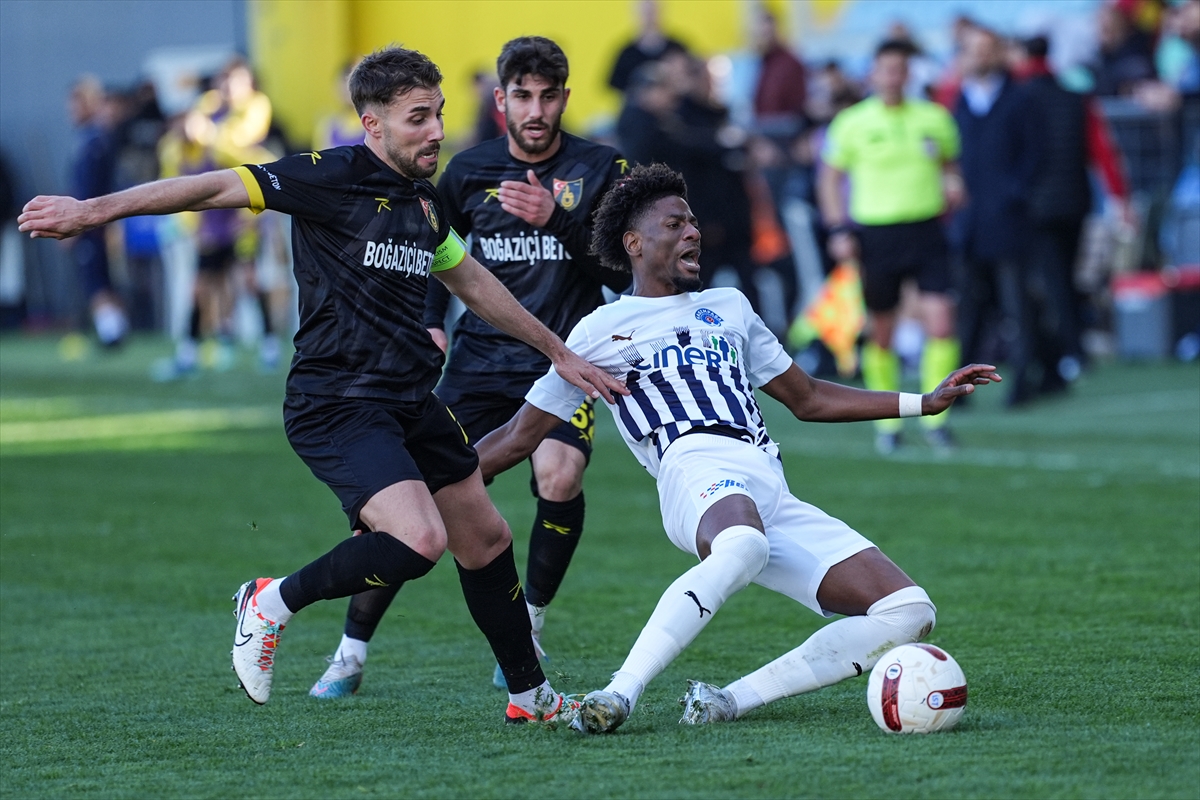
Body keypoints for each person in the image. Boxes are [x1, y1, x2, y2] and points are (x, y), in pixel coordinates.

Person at [18, 46, 625, 725]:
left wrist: (557, 352)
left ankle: (530, 697)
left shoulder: (425, 200)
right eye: (418, 118)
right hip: (337, 402)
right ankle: (269, 601)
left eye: (438, 114)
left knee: (485, 538)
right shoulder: (327, 176)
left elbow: (472, 283)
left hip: (410, 402)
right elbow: (211, 188)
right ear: (372, 124)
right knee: (419, 541)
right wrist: (91, 210)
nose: (436, 131)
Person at [471, 163, 1000, 734]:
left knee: (909, 611)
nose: (693, 232)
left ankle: (727, 701)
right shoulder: (598, 330)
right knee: (743, 543)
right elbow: (519, 436)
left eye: (693, 222)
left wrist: (923, 402)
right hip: (692, 466)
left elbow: (809, 398)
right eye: (675, 224)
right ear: (634, 243)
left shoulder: (730, 306)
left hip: (768, 482)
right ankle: (618, 694)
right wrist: (441, 484)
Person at [311, 36, 631, 698]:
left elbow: (621, 271)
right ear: (501, 101)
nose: (536, 110)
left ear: (566, 99)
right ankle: (350, 650)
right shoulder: (466, 171)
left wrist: (560, 220)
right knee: (417, 504)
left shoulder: (602, 168)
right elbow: (434, 251)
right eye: (523, 96)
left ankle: (529, 622)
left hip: (557, 364)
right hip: (478, 362)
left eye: (548, 96)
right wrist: (431, 319)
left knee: (560, 474)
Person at [818, 40, 965, 455]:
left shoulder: (934, 117)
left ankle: (938, 419)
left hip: (927, 229)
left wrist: (954, 185)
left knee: (942, 321)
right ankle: (888, 423)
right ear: (873, 74)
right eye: (886, 69)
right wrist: (838, 229)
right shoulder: (852, 123)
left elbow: (951, 167)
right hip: (876, 234)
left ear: (909, 74)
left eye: (900, 69)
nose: (893, 77)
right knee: (882, 330)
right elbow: (829, 179)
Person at [1013, 34, 1132, 393]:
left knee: (1051, 281)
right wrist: (1119, 196)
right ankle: (1074, 347)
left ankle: (1070, 350)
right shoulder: (1075, 97)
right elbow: (1102, 150)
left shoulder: (1019, 98)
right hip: (1075, 199)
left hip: (1036, 204)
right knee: (1065, 275)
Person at [951, 27, 1041, 406]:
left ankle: (1024, 379)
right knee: (971, 309)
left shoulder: (1019, 98)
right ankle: (961, 388)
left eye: (987, 49)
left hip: (1008, 221)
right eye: (974, 50)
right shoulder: (959, 101)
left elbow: (1034, 154)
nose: (981, 56)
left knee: (1016, 304)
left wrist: (1013, 194)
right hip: (971, 224)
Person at [68, 75, 128, 347]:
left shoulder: (95, 140)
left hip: (94, 220)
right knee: (101, 277)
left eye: (76, 103)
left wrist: (73, 222)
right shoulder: (91, 137)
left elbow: (90, 187)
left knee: (96, 278)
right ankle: (114, 329)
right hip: (98, 219)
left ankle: (111, 334)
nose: (72, 109)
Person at [608, 0, 688, 94]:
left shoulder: (676, 48)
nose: (649, 17)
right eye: (646, 12)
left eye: (652, 12)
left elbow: (691, 77)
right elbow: (616, 83)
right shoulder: (627, 53)